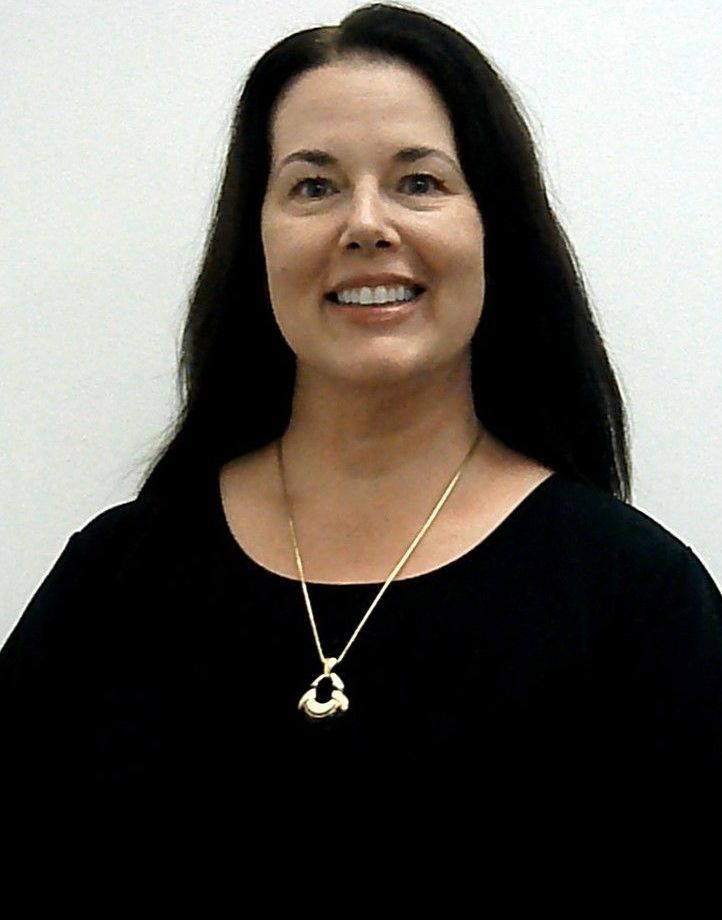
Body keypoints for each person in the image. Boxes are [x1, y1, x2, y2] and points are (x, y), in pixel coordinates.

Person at [2, 2, 721, 805]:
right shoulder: (115, 580)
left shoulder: (637, 599)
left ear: (495, 231)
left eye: (420, 182)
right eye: (314, 186)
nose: (366, 224)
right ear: (258, 238)